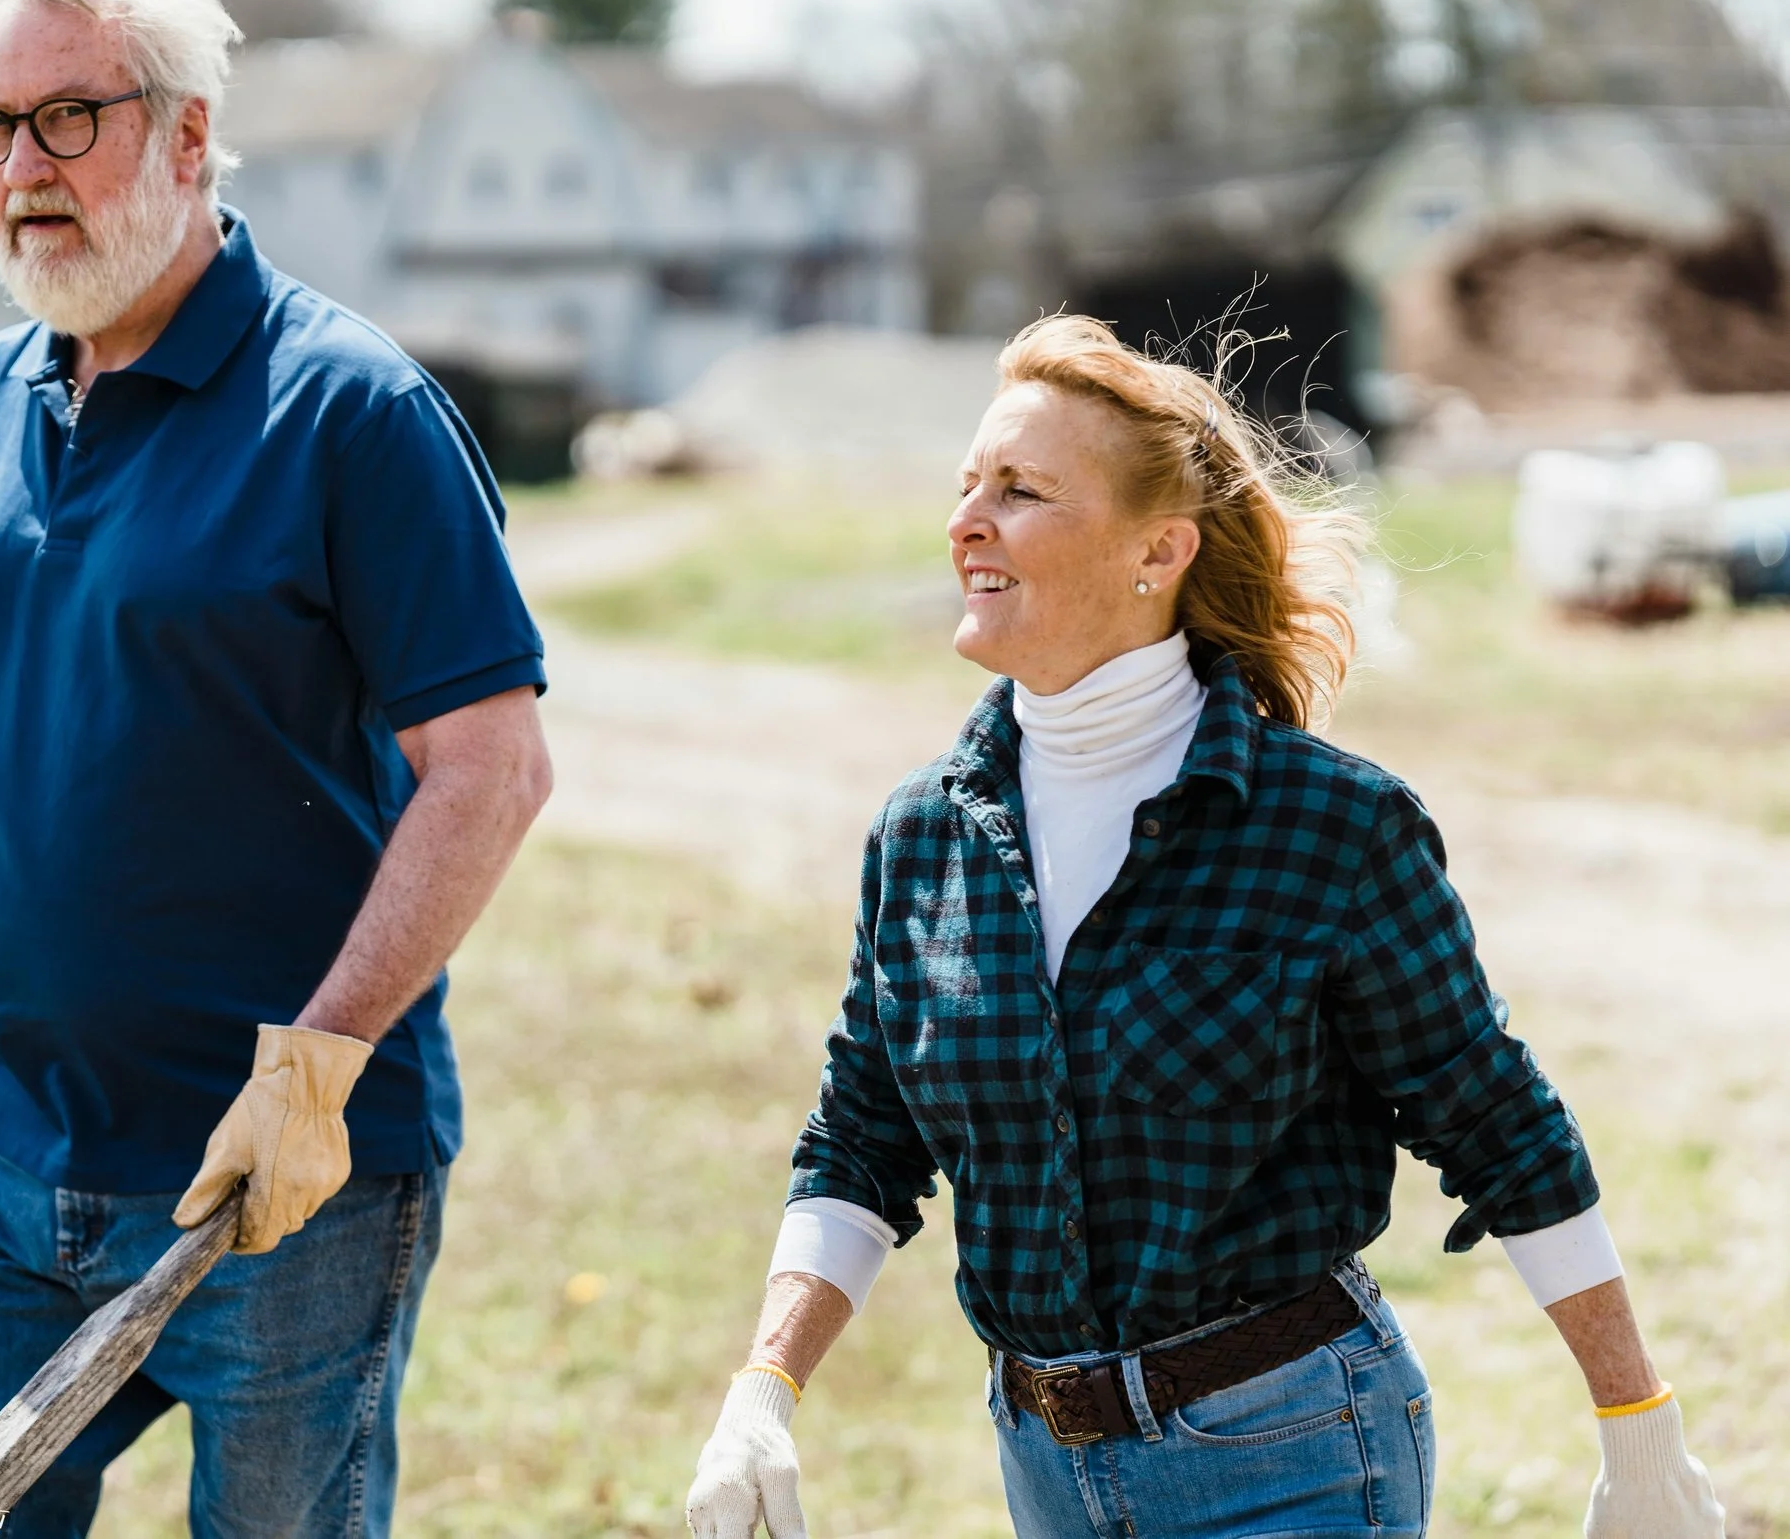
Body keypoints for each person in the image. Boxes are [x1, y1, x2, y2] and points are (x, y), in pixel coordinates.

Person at [0, 0, 552, 1539]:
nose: (27, 165)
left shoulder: (350, 412)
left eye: (72, 117)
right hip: (10, 1154)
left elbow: (493, 767)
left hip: (295, 1177)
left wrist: (319, 1065)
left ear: (189, 135)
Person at [683, 315, 1725, 1539]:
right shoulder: (923, 835)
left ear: (1157, 549)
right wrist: (762, 1388)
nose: (968, 518)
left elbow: (1498, 1123)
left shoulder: (1330, 826)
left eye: (1019, 490)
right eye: (967, 483)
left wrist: (1635, 1422)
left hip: (1292, 1451)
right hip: (1043, 1465)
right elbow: (859, 1136)